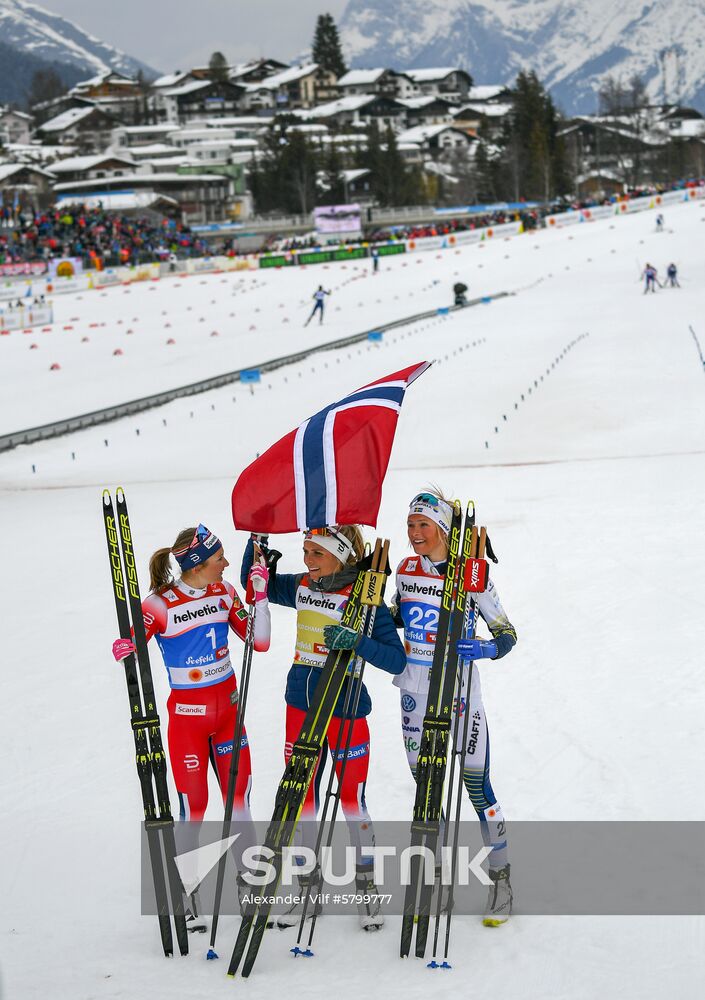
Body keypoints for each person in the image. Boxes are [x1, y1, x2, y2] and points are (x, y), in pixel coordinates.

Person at [241, 525, 406, 930]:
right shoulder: (301, 585)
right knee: (303, 799)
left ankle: (367, 891)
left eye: (316, 553)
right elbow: (254, 584)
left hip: (346, 707)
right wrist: (257, 544)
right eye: (305, 551)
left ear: (341, 555)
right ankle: (306, 891)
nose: (308, 560)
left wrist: (355, 642)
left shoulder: (366, 598)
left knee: (352, 800)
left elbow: (396, 660)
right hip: (300, 703)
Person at [112, 524, 271, 912]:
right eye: (220, 559)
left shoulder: (225, 592)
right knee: (194, 806)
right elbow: (134, 641)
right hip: (188, 721)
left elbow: (259, 641)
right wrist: (125, 647)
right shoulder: (159, 604)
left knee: (239, 802)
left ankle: (249, 883)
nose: (227, 564)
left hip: (229, 715)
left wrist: (261, 599)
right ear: (198, 563)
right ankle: (188, 889)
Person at [391, 491, 518, 926]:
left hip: (462, 692)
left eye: (423, 525)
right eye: (410, 525)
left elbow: (507, 632)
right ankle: (438, 880)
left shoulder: (472, 573)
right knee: (427, 789)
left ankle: (500, 878)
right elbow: (397, 616)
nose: (414, 534)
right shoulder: (406, 571)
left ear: (444, 529)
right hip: (414, 689)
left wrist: (484, 647)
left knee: (477, 787)